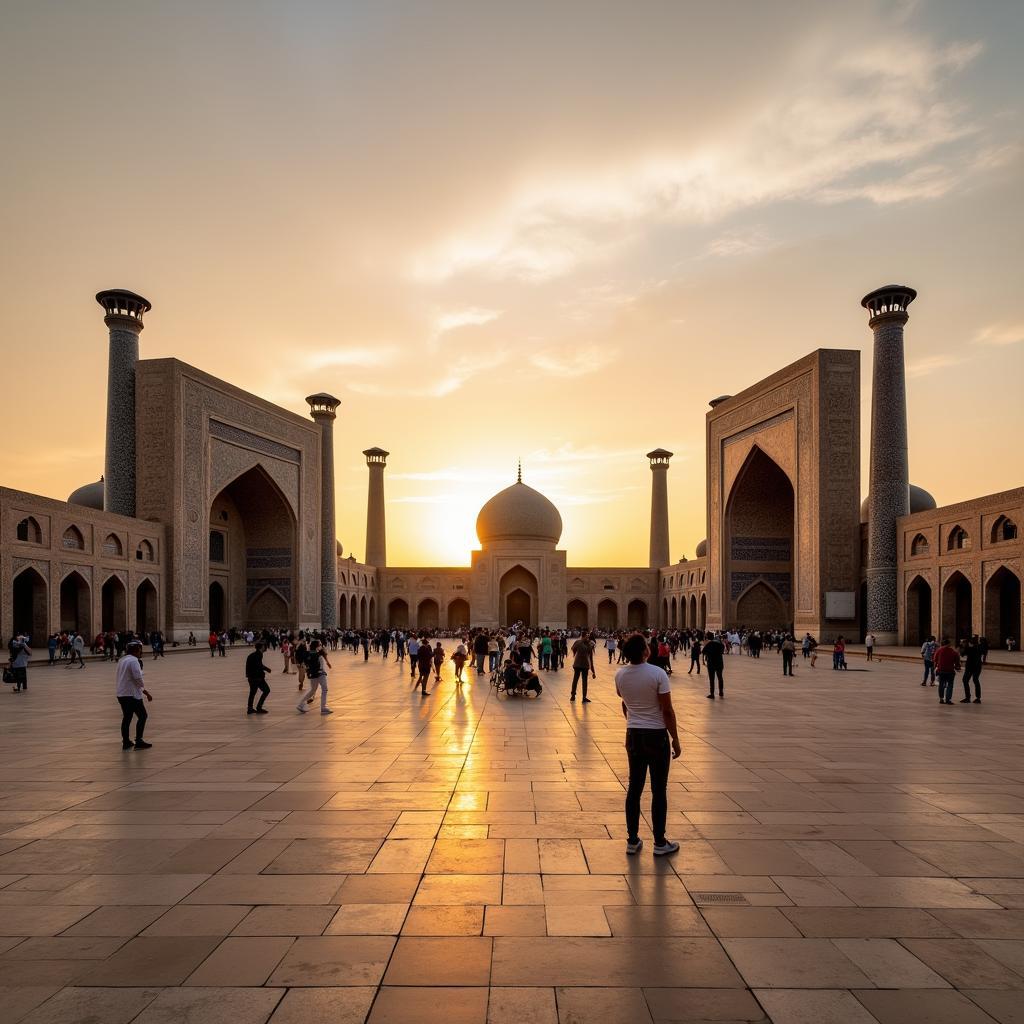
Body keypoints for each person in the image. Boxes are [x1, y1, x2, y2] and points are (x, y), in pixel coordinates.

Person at [615, 633, 681, 857]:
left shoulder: (620, 675)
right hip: (656, 737)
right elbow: (667, 710)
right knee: (658, 790)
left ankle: (632, 841)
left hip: (633, 735)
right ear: (646, 651)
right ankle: (660, 843)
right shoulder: (657, 673)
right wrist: (676, 738)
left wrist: (632, 721)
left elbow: (625, 702)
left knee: (634, 788)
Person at [116, 640, 153, 749]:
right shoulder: (134, 661)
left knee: (127, 717)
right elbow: (137, 678)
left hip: (122, 693)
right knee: (142, 716)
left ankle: (126, 741)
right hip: (131, 694)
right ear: (137, 650)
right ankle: (139, 741)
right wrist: (146, 692)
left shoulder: (122, 660)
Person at [297, 640, 332, 714]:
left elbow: (305, 663)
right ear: (317, 646)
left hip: (312, 674)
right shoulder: (318, 654)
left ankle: (301, 704)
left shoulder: (308, 653)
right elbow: (322, 662)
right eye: (320, 645)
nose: (321, 646)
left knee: (313, 690)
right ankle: (323, 707)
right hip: (320, 673)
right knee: (324, 689)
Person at [245, 642, 272, 714]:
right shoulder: (258, 655)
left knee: (252, 692)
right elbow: (259, 666)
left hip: (252, 677)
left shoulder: (255, 654)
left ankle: (250, 708)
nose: (265, 647)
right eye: (264, 646)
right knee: (266, 690)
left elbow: (258, 665)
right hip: (256, 678)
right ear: (261, 647)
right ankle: (258, 707)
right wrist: (266, 669)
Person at [933, 637, 960, 705]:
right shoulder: (953, 651)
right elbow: (957, 661)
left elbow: (935, 660)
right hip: (950, 671)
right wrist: (957, 667)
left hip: (941, 670)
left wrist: (935, 668)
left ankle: (941, 699)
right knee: (950, 685)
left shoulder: (939, 650)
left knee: (941, 684)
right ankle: (948, 699)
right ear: (949, 644)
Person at [570, 632, 596, 702]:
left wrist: (593, 672)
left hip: (581, 665)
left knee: (579, 680)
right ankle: (577, 696)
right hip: (581, 665)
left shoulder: (583, 643)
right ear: (583, 636)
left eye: (588, 637)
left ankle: (577, 696)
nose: (588, 638)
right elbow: (573, 648)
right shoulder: (584, 644)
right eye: (586, 637)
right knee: (578, 680)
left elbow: (591, 659)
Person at [702, 632, 725, 699]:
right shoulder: (719, 643)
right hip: (719, 663)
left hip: (711, 664)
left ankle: (712, 694)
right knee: (720, 678)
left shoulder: (708, 644)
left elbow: (703, 652)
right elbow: (722, 650)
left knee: (712, 679)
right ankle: (721, 692)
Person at [961, 635, 983, 704]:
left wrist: (963, 646)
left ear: (971, 643)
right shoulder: (979, 648)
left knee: (965, 680)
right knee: (976, 680)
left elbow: (962, 654)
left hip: (970, 667)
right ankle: (978, 698)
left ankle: (968, 697)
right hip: (978, 666)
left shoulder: (969, 649)